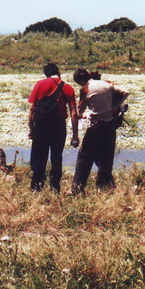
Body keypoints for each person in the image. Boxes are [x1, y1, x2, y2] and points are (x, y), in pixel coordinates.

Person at [71, 67, 129, 194]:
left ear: (80, 80)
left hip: (95, 127)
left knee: (84, 156)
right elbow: (125, 92)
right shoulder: (107, 84)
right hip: (110, 126)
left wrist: (84, 114)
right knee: (106, 157)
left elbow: (79, 112)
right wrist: (114, 107)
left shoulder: (85, 89)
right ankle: (105, 186)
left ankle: (77, 188)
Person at [27, 63, 79, 192]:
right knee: (57, 156)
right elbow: (73, 113)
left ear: (46, 74)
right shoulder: (68, 88)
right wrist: (75, 136)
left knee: (40, 155)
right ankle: (55, 187)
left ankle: (37, 186)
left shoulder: (40, 84)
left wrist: (31, 129)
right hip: (58, 125)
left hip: (41, 125)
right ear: (58, 72)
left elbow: (32, 109)